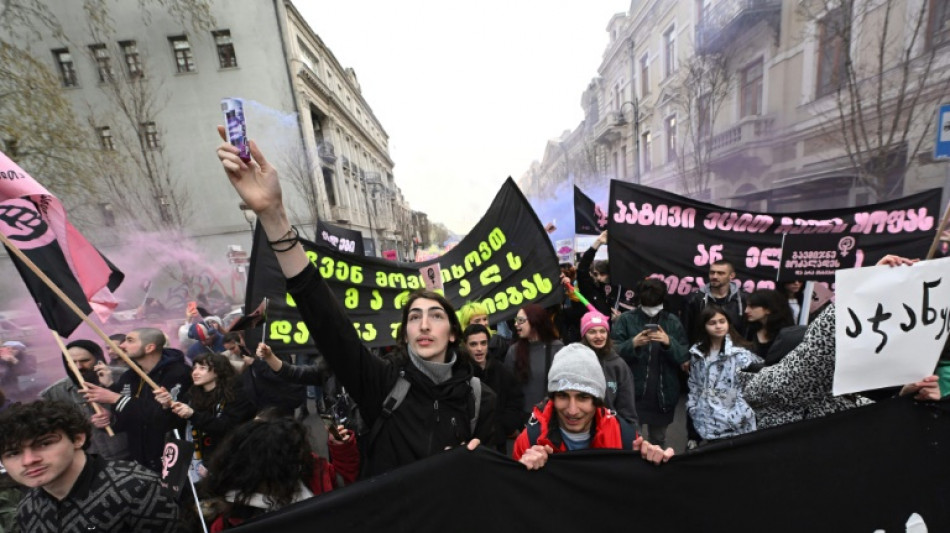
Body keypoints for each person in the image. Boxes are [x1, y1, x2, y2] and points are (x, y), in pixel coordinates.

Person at [216, 129, 495, 477]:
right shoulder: (381, 382)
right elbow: (328, 322)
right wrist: (274, 217)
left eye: (435, 316)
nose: (424, 324)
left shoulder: (479, 398)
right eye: (414, 317)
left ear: (453, 333)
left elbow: (497, 472)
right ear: (405, 332)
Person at [740, 255, 943, 429]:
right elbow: (812, 360)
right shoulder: (764, 388)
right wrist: (868, 288)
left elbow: (874, 419)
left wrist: (904, 398)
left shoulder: (841, 399)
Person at [0, 400, 178, 532]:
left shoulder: (137, 488)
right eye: (13, 453)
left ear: (78, 438)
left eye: (44, 444)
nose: (29, 460)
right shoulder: (28, 508)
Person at [512, 343, 673, 469]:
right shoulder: (529, 441)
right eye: (563, 396)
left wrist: (654, 464)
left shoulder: (625, 437)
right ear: (552, 398)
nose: (572, 410)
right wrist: (522, 470)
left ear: (597, 400)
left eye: (583, 397)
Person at [203, 413, 358, 530]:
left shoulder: (310, 467)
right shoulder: (229, 522)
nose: (302, 455)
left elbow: (342, 484)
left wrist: (341, 448)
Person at [81, 327, 192, 473]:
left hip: (173, 457)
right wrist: (108, 420)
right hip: (140, 460)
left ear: (149, 347)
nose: (121, 345)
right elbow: (124, 421)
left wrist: (116, 398)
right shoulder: (129, 376)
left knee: (180, 496)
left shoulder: (179, 373)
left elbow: (166, 419)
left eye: (130, 340)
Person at [611, 278, 689, 449]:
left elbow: (684, 356)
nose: (651, 309)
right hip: (631, 394)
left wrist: (669, 342)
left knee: (658, 440)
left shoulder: (672, 321)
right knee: (632, 441)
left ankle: (657, 473)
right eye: (647, 304)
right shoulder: (625, 320)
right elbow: (612, 352)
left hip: (663, 395)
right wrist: (633, 344)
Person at [40, 340, 129, 460]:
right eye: (72, 362)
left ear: (98, 359)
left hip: (131, 452)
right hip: (91, 458)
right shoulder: (54, 393)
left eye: (85, 361)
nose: (79, 367)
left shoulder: (127, 377)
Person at [687, 307, 762, 443]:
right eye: (712, 323)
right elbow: (694, 384)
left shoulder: (741, 354)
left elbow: (752, 388)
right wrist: (693, 408)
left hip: (737, 427)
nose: (718, 326)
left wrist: (736, 415)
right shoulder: (697, 354)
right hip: (706, 423)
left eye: (722, 321)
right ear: (704, 326)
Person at [167, 353, 255, 468]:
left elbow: (227, 427)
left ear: (218, 371)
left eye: (202, 368)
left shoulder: (237, 395)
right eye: (194, 368)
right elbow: (175, 426)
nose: (195, 373)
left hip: (228, 460)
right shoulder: (191, 395)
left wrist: (193, 415)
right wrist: (167, 406)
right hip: (195, 461)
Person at [463, 324, 523, 452]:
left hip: (498, 441)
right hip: (471, 444)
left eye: (483, 343)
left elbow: (515, 398)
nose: (479, 348)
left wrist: (505, 426)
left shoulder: (500, 370)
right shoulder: (461, 373)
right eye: (473, 344)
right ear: (465, 346)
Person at [578, 310, 638, 427]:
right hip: (580, 427)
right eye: (592, 332)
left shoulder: (618, 365)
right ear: (584, 335)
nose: (599, 336)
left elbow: (627, 407)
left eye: (602, 331)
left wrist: (632, 434)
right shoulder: (575, 361)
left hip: (609, 428)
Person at [504, 303, 564, 421]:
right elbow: (507, 389)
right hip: (523, 420)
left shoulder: (557, 348)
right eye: (516, 320)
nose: (516, 324)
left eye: (521, 320)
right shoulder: (514, 351)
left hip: (551, 418)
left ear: (534, 321)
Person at [683, 260, 750, 343]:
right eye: (712, 272)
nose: (714, 276)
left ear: (731, 275)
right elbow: (686, 332)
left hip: (737, 350)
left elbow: (748, 330)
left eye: (720, 273)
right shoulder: (695, 299)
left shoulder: (744, 299)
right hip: (704, 350)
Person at [743, 289, 803, 366]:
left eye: (752, 306)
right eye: (747, 306)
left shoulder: (786, 335)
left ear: (768, 309)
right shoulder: (749, 329)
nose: (746, 310)